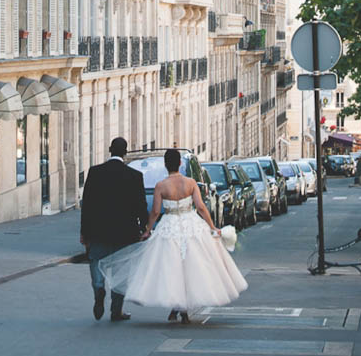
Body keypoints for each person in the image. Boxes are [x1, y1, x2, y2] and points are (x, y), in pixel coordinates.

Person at [99, 148, 248, 323]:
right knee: (192, 268)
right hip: (191, 224)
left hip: (169, 226)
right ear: (180, 163)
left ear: (165, 165)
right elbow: (200, 206)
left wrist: (148, 229)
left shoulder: (161, 186)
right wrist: (212, 226)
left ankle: (176, 308)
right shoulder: (191, 183)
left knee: (170, 269)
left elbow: (155, 211)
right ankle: (182, 310)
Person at [80, 136, 148, 322]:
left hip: (98, 230)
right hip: (125, 234)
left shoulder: (95, 173)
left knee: (95, 261)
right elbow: (141, 207)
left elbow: (87, 205)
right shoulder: (135, 177)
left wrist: (84, 232)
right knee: (121, 272)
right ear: (125, 153)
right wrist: (145, 228)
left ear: (110, 150)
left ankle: (99, 288)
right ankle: (116, 311)